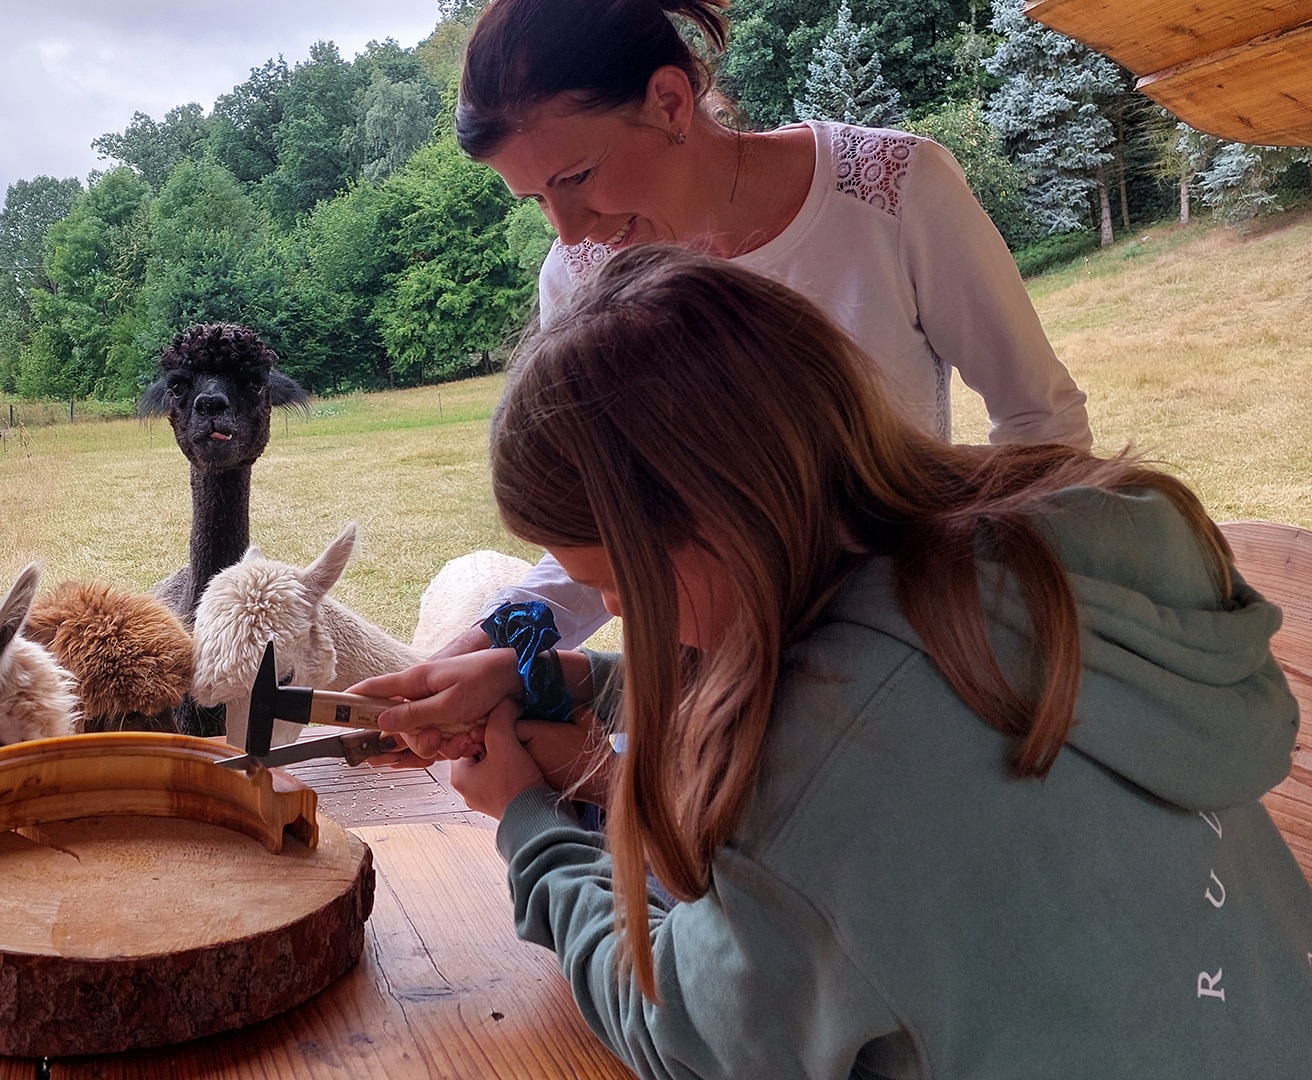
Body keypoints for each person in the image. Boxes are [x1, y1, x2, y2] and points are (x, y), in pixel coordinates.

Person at [350, 244, 1312, 1078]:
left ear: (711, 526)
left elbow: (684, 1032)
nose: (611, 613)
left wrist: (530, 823)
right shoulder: (1040, 561)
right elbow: (850, 673)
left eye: (617, 584)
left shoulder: (829, 767)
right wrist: (563, 682)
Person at [439, 0, 1091, 655]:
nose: (568, 229)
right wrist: (497, 645)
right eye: (539, 199)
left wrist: (1007, 618)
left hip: (908, 644)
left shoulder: (891, 193)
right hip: (720, 674)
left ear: (669, 102)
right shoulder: (577, 277)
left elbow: (1040, 421)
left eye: (577, 177)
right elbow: (608, 526)